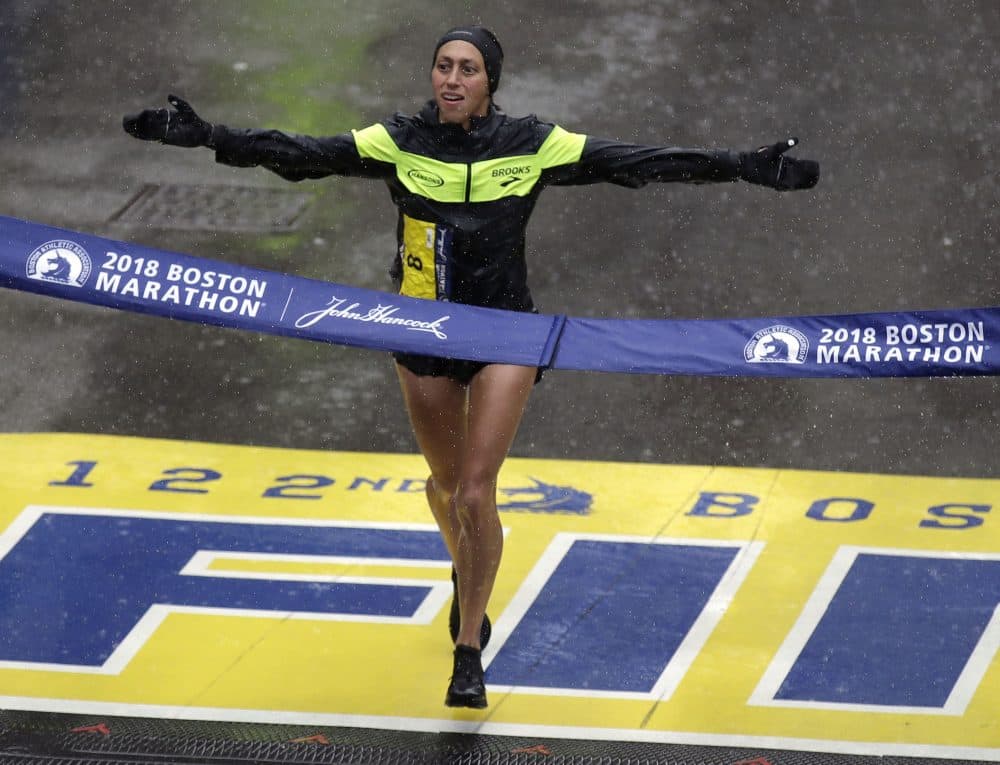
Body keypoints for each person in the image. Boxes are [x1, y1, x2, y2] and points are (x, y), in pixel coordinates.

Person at [122, 25, 819, 709]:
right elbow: (304, 153)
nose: (452, 79)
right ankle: (468, 567)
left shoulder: (532, 144)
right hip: (421, 329)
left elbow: (634, 162)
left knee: (475, 495)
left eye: (467, 69)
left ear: (491, 83)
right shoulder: (400, 140)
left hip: (503, 334)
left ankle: (468, 651)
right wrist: (209, 135)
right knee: (446, 485)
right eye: (443, 66)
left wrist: (741, 164)